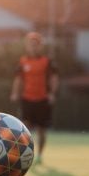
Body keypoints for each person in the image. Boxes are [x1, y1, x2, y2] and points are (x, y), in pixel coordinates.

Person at [10, 31, 59, 164]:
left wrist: (52, 94)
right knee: (24, 129)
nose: (33, 47)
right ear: (27, 46)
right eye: (30, 45)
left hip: (43, 99)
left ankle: (40, 155)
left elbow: (54, 78)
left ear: (39, 46)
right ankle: (24, 154)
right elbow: (18, 79)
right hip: (27, 99)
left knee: (42, 130)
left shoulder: (47, 62)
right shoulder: (23, 61)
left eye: (35, 45)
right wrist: (15, 93)